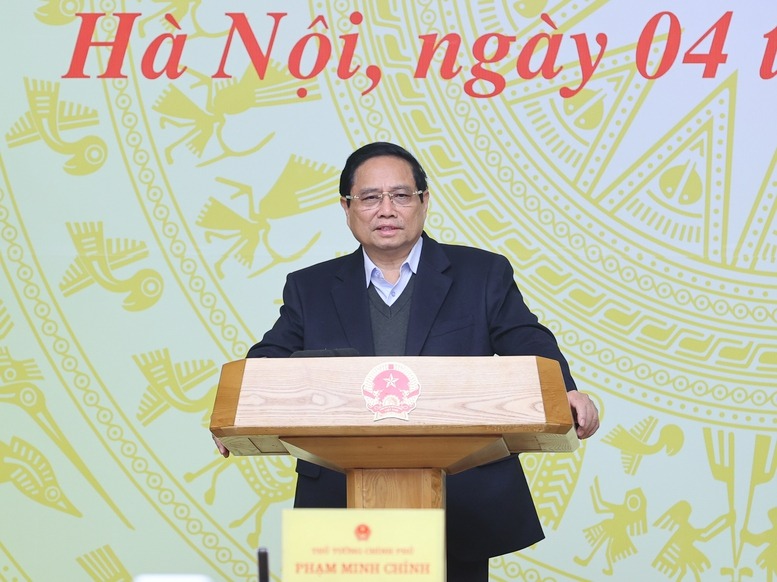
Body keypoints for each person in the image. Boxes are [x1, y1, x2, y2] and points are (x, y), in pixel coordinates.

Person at [215, 141, 600, 581]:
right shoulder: (311, 287)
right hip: (343, 500)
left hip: (460, 493)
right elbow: (269, 359)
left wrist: (564, 390)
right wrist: (236, 413)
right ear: (346, 207)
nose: (386, 209)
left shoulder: (481, 274)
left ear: (424, 202)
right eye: (369, 197)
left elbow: (526, 338)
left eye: (400, 195)